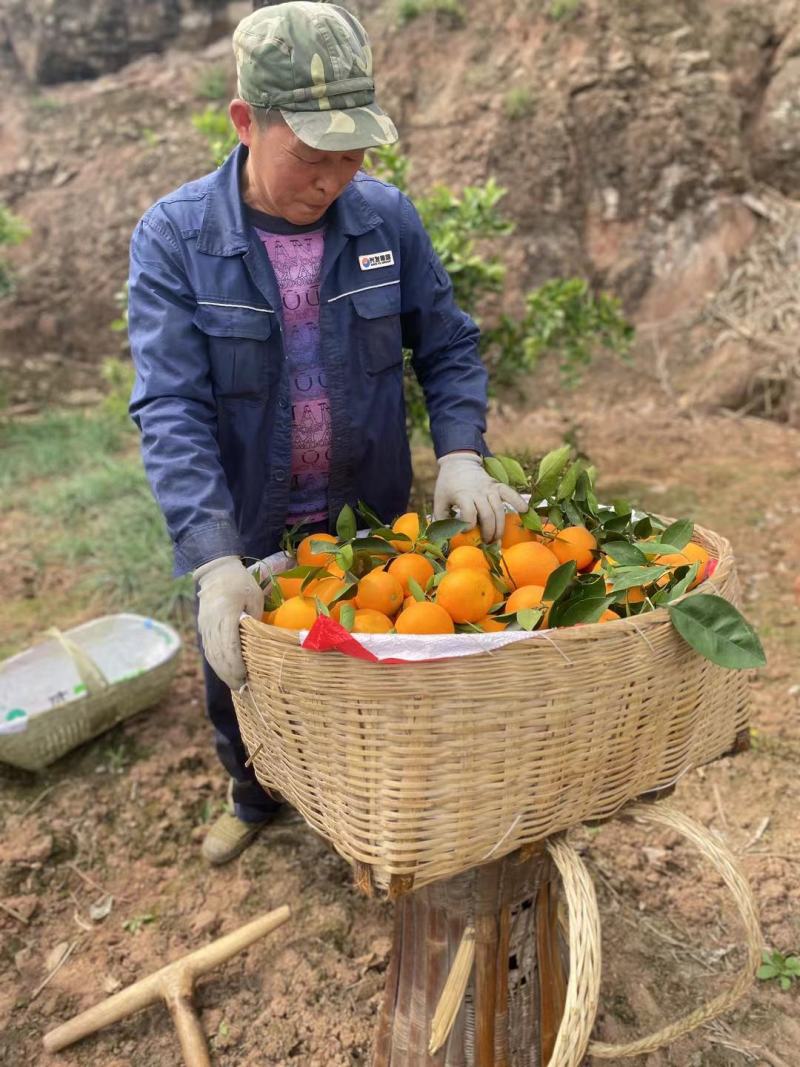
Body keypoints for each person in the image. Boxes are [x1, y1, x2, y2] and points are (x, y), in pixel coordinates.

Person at [127, 1, 526, 865]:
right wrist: (213, 558)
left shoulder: (387, 220)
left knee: (372, 677)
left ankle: (362, 806)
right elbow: (171, 406)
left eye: (353, 155)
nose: (335, 178)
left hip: (370, 520)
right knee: (241, 675)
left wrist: (462, 449)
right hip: (250, 524)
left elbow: (448, 343)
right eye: (313, 155)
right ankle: (252, 791)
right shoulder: (178, 240)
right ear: (246, 121)